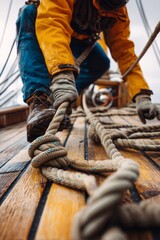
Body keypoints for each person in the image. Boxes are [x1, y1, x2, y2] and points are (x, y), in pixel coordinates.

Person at [16, 0, 160, 142]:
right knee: (28, 13)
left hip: (78, 41)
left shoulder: (118, 13)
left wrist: (142, 96)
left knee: (101, 63)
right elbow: (53, 24)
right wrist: (62, 75)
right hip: (46, 27)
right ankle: (39, 102)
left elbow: (125, 53)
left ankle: (59, 98)